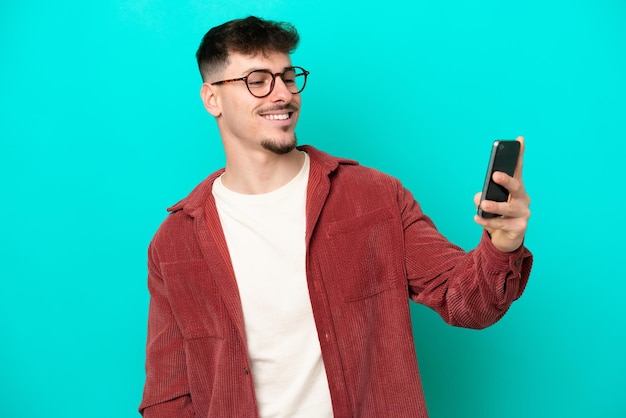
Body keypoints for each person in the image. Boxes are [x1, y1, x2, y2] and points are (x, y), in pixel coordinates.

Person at [138, 16, 533, 418]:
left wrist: (503, 245)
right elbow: (167, 398)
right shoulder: (175, 242)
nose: (282, 95)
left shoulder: (375, 196)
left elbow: (465, 300)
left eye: (288, 78)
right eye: (258, 80)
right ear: (212, 99)